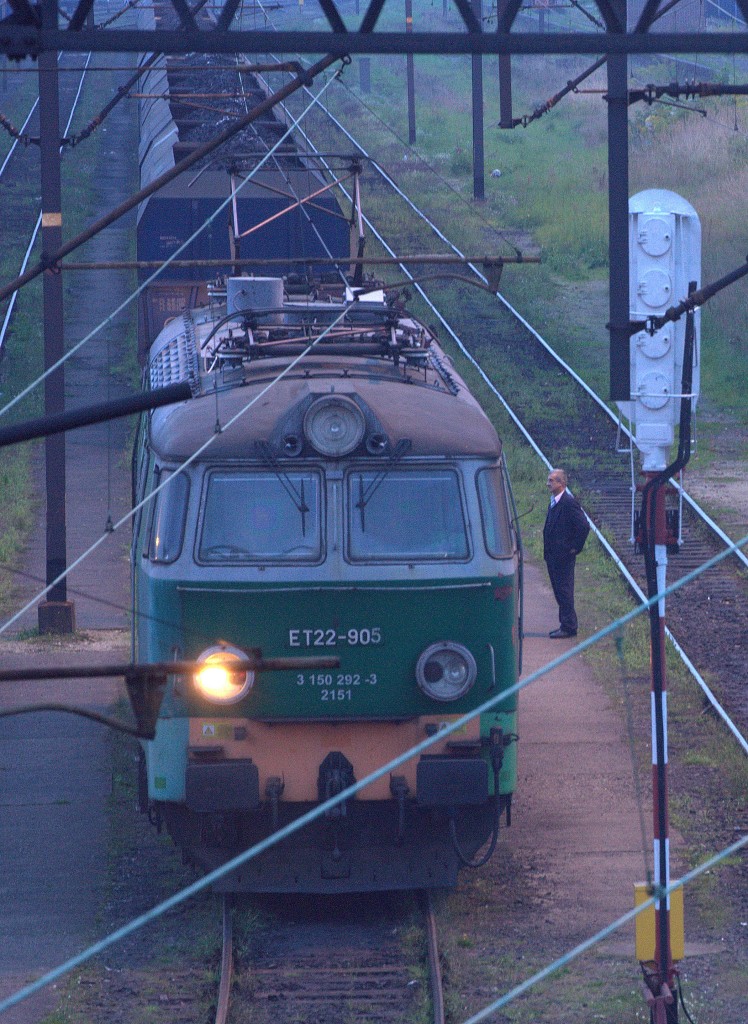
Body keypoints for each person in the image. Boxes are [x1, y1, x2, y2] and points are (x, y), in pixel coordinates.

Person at [543, 468, 590, 639]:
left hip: (563, 556)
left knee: (564, 590)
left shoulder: (568, 502)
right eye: (548, 480)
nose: (548, 483)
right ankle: (566, 623)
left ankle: (569, 626)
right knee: (559, 590)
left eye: (551, 480)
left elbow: (584, 526)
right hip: (553, 555)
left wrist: (574, 547)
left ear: (561, 483)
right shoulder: (554, 502)